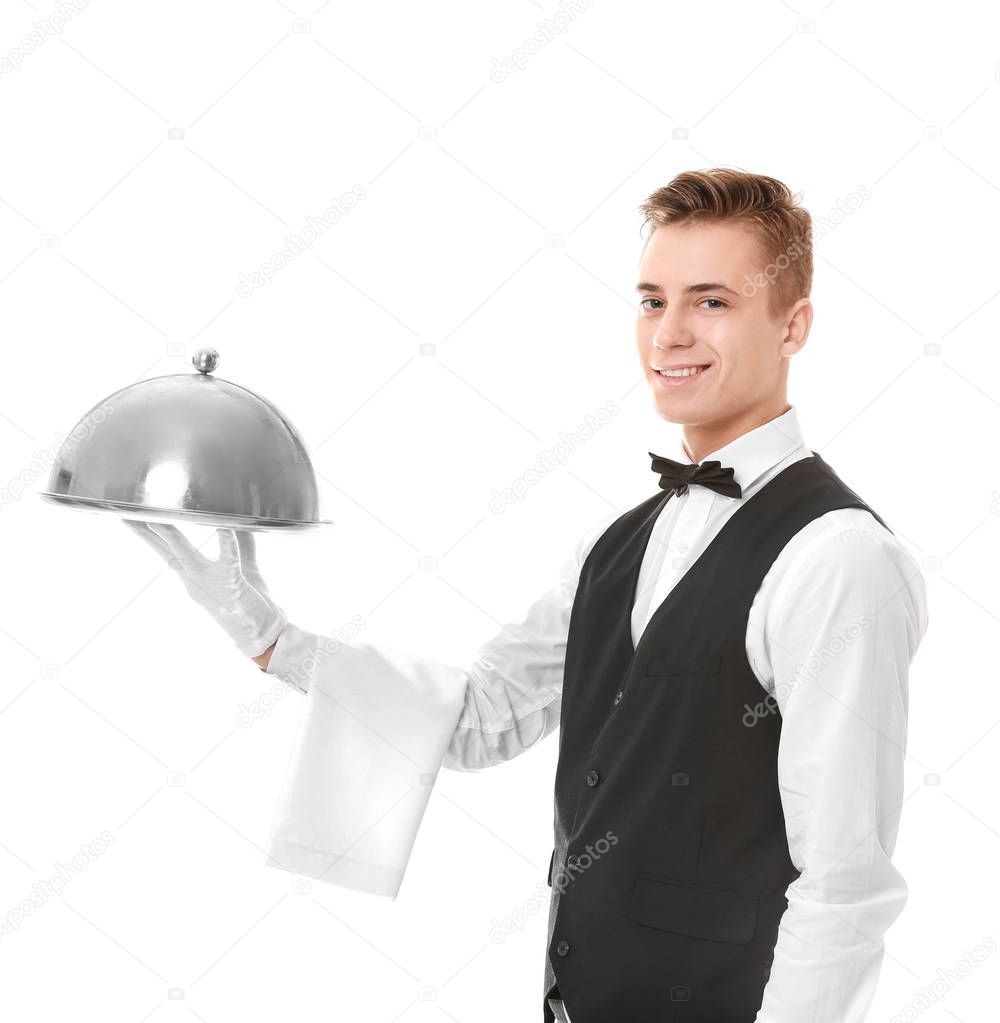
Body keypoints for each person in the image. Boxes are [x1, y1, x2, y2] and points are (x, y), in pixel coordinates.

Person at [125, 168, 928, 1023]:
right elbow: (481, 715)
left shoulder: (837, 556)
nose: (670, 333)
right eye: (652, 300)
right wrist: (272, 639)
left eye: (713, 302)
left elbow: (844, 881)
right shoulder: (615, 541)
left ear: (792, 324)